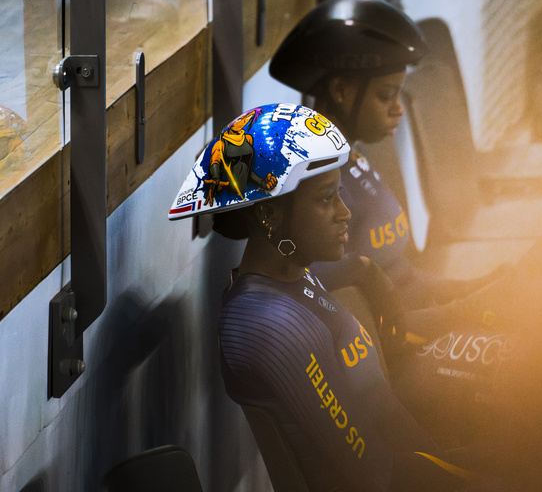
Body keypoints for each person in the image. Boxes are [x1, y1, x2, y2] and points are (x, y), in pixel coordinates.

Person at [169, 103, 507, 491]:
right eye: (326, 198)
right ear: (270, 216)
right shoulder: (271, 322)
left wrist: (372, 274)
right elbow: (374, 476)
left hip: (422, 460)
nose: (345, 213)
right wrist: (504, 468)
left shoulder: (293, 278)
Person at [268, 0, 518, 443]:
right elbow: (363, 333)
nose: (398, 108)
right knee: (540, 385)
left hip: (420, 343)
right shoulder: (315, 193)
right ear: (342, 90)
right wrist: (472, 310)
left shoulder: (354, 161)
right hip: (392, 377)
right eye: (386, 95)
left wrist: (489, 286)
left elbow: (406, 279)